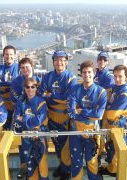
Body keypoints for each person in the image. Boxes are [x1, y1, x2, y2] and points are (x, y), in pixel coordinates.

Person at [38, 50, 77, 179]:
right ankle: (62, 166)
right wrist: (54, 98)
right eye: (57, 60)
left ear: (66, 61)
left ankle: (66, 171)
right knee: (56, 144)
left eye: (62, 60)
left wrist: (51, 96)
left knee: (66, 147)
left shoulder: (71, 78)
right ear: (53, 61)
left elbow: (68, 98)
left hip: (65, 118)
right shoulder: (48, 76)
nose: (59, 62)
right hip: (52, 117)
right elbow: (40, 94)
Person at [67, 60, 107, 180]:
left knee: (92, 161)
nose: (87, 75)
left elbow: (99, 115)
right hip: (76, 131)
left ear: (94, 73)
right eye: (84, 72)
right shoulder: (74, 89)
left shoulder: (101, 91)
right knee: (76, 162)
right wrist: (90, 112)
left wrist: (81, 110)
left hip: (93, 132)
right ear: (81, 74)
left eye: (89, 72)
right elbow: (71, 113)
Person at [99, 65, 127, 177]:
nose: (117, 79)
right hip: (111, 127)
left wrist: (105, 107)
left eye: (120, 76)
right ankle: (111, 169)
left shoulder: (125, 94)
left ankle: (121, 174)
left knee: (119, 156)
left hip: (119, 128)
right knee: (111, 151)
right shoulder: (116, 88)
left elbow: (111, 114)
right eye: (115, 76)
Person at [10, 57, 41, 179]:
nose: (25, 69)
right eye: (22, 67)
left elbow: (41, 98)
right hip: (19, 117)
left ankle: (37, 168)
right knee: (22, 145)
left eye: (27, 66)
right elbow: (16, 100)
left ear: (32, 67)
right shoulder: (15, 82)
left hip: (35, 118)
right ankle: (24, 168)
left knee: (37, 144)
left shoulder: (38, 80)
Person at [13, 78, 49, 180]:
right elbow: (16, 119)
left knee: (42, 163)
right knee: (29, 162)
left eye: (33, 87)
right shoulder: (21, 102)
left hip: (40, 136)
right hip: (26, 137)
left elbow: (39, 120)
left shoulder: (41, 102)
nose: (30, 89)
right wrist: (30, 120)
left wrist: (24, 118)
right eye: (27, 87)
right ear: (24, 88)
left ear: (36, 88)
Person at [0, 45, 19, 130]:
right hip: (1, 107)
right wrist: (11, 84)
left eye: (11, 54)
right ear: (3, 55)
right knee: (2, 130)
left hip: (16, 105)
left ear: (15, 55)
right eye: (6, 54)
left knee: (16, 130)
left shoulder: (20, 68)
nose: (9, 56)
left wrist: (4, 84)